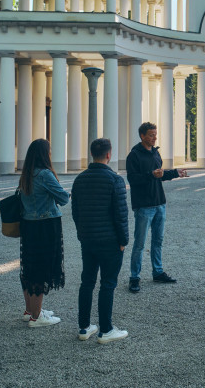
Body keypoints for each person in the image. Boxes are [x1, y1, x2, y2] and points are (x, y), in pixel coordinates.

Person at [71, 138, 130, 344]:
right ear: (108, 154)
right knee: (108, 284)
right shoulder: (115, 180)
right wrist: (124, 240)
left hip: (88, 240)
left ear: (91, 154)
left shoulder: (80, 179)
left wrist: (82, 235)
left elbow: (76, 212)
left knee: (87, 282)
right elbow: (120, 215)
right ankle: (106, 329)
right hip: (110, 241)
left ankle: (84, 327)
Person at [126, 122, 187, 293]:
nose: (154, 137)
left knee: (158, 241)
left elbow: (159, 175)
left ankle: (157, 272)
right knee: (139, 243)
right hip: (144, 206)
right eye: (151, 135)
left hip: (160, 203)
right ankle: (134, 277)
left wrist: (175, 173)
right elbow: (133, 180)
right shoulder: (134, 156)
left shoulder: (155, 153)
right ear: (142, 136)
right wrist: (151, 175)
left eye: (155, 134)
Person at [18, 138, 69, 327]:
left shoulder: (26, 174)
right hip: (46, 225)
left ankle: (30, 310)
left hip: (28, 226)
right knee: (42, 268)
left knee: (29, 267)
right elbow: (63, 198)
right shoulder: (45, 175)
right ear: (44, 154)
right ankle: (37, 316)